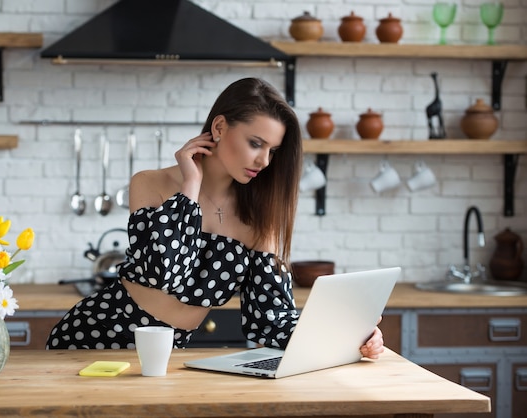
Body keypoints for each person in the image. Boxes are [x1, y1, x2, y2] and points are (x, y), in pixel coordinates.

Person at [46, 77, 385, 359]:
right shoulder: (150, 184)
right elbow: (168, 274)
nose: (264, 161)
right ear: (220, 126)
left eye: (273, 151)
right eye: (256, 143)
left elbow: (270, 322)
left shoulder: (257, 220)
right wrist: (190, 188)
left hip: (167, 356)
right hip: (95, 337)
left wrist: (351, 335)